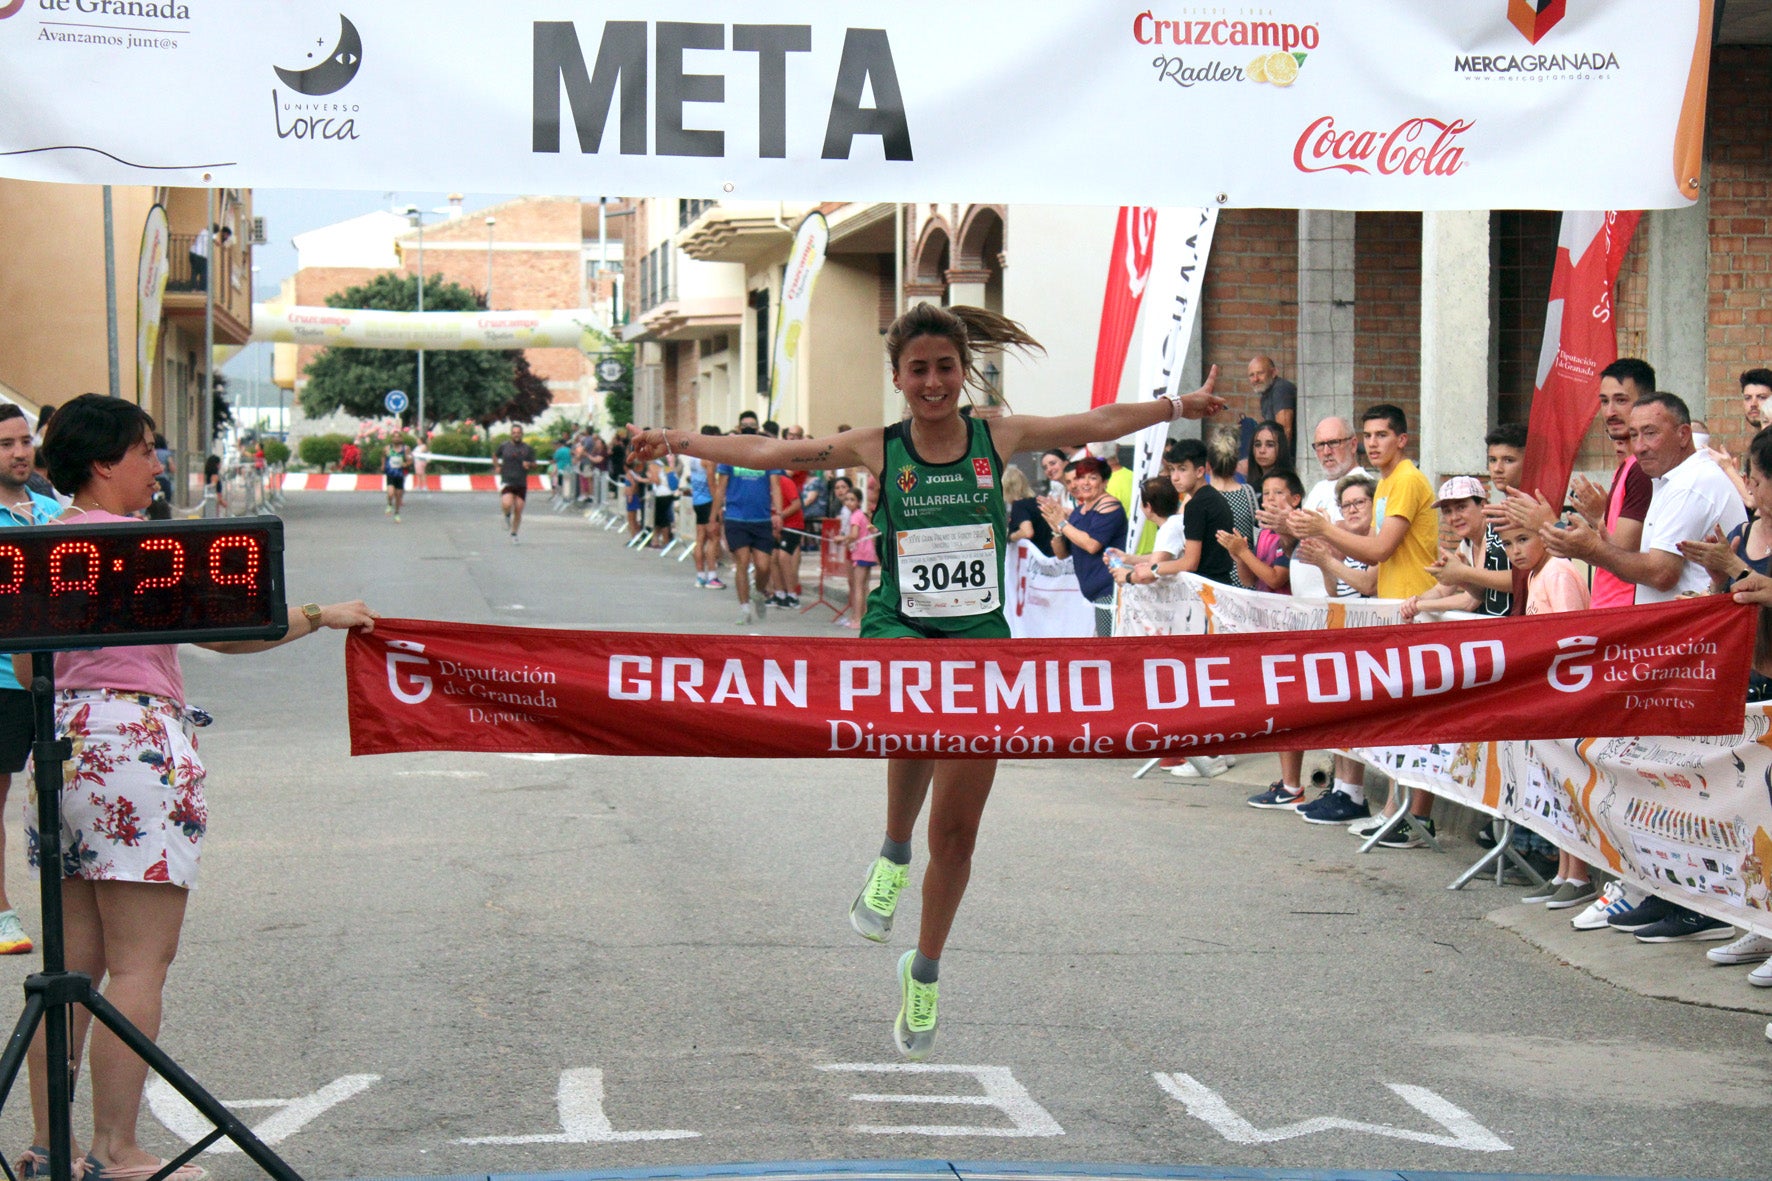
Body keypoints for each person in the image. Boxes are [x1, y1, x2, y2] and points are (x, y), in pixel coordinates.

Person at [622, 302, 1223, 1060]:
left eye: (945, 367)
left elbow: (1098, 419)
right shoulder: (878, 446)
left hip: (978, 643)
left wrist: (1179, 405)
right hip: (900, 633)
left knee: (961, 832)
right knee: (913, 735)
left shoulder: (995, 433)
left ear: (961, 368)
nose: (933, 382)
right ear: (898, 376)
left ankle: (926, 966)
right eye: (919, 369)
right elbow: (775, 454)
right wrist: (677, 439)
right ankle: (892, 850)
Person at [16, 394, 377, 1181]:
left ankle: (50, 1149)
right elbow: (228, 627)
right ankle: (117, 1147)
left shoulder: (40, 545)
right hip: (138, 750)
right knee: (141, 962)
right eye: (146, 450)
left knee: (69, 967)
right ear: (105, 460)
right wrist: (321, 613)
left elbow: (20, 665)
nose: (158, 466)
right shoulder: (144, 546)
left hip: (63, 752)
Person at [1288, 404, 1440, 845]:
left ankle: (1415, 818)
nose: (1374, 443)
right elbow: (1373, 570)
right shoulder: (1390, 484)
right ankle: (1395, 809)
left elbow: (1379, 549)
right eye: (1368, 435)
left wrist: (1325, 531)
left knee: (1415, 721)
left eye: (1382, 435)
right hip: (1393, 610)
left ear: (1402, 440)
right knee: (1398, 720)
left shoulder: (1408, 479)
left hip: (1417, 610)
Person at [1543, 392, 1747, 605]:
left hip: (1698, 631)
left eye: (1650, 433)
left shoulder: (1691, 483)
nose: (1639, 447)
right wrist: (1599, 545)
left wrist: (1593, 550)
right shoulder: (1671, 479)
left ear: (1683, 435)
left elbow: (1662, 574)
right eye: (1633, 435)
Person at [1494, 518, 1598, 910]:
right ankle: (1564, 872)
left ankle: (1581, 874)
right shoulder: (1536, 575)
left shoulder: (1559, 572)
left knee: (1571, 785)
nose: (1515, 550)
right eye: (1507, 544)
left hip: (1566, 693)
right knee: (1555, 785)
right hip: (1547, 693)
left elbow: (1574, 635)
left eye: (1523, 539)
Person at [0, 405, 60, 958]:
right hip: (1, 682)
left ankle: (70, 901)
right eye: (5, 444)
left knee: (56, 795)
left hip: (55, 679)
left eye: (25, 442)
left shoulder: (51, 514)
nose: (20, 453)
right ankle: (0, 910)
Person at [1399, 477, 1512, 620]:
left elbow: (1470, 601)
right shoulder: (1466, 544)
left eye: (1461, 507)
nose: (1454, 517)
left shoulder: (1498, 535)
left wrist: (1421, 606)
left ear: (1483, 505)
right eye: (1447, 511)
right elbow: (1441, 590)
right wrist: (1416, 600)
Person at [1040, 457, 1126, 637]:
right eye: (1081, 478)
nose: (1084, 483)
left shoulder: (1109, 506)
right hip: (1093, 593)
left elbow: (1092, 545)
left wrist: (1062, 523)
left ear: (1104, 482)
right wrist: (1055, 529)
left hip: (1110, 590)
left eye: (1092, 478)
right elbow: (1062, 554)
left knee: (1110, 648)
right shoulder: (1079, 511)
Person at [712, 434, 784, 626]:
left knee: (764, 566)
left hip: (761, 519)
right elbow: (721, 488)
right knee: (742, 562)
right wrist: (713, 517)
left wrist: (779, 513)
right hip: (736, 518)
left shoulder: (768, 458)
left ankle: (759, 592)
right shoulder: (729, 457)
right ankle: (744, 608)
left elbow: (776, 486)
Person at [686, 426, 723, 589]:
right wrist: (718, 504)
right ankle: (712, 576)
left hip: (697, 500)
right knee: (714, 538)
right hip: (708, 501)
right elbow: (711, 482)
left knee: (700, 538)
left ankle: (700, 575)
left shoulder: (694, 456)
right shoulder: (709, 458)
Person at [835, 485, 875, 629]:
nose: (848, 502)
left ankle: (857, 619)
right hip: (868, 553)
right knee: (864, 586)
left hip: (861, 553)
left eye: (852, 499)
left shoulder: (855, 516)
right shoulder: (861, 515)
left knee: (858, 587)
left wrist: (841, 538)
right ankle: (863, 616)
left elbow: (853, 535)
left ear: (858, 502)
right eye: (846, 499)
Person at [493, 424, 538, 543]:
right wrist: (497, 466)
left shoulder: (527, 448)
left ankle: (514, 533)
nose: (516, 434)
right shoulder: (504, 446)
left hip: (521, 483)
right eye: (514, 432)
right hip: (507, 481)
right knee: (507, 504)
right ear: (511, 434)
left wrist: (529, 464)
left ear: (522, 434)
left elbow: (535, 464)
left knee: (518, 509)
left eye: (518, 432)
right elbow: (495, 455)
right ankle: (507, 515)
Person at [1003, 465, 1052, 556]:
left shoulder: (1019, 505)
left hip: (1037, 559)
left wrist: (1011, 537)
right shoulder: (1037, 502)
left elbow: (1027, 532)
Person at [1244, 420, 1291, 493]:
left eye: (1270, 445)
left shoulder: (1287, 486)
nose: (1262, 450)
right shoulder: (1250, 486)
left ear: (1281, 448)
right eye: (1258, 444)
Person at [384, 435, 412, 521]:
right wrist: (383, 465)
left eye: (398, 437)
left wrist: (406, 464)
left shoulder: (405, 448)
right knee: (390, 493)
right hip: (391, 474)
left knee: (398, 496)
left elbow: (410, 459)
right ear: (392, 439)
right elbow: (383, 456)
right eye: (394, 437)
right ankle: (389, 504)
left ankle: (397, 513)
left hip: (400, 475)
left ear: (401, 439)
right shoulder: (388, 448)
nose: (396, 439)